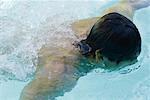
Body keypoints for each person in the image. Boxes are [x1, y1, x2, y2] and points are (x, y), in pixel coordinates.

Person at [20, 0, 150, 100]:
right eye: (126, 60)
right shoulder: (60, 76)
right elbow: (29, 97)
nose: (134, 62)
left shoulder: (112, 26)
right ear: (99, 56)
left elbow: (130, 2)